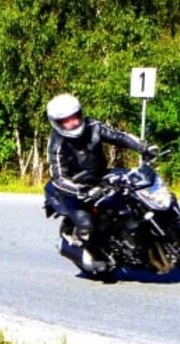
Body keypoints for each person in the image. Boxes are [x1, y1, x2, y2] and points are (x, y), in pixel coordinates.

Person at [43, 93, 157, 274]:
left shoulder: (93, 126)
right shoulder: (57, 144)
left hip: (100, 177)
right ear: (57, 123)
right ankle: (95, 256)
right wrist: (83, 191)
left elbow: (118, 136)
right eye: (66, 121)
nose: (73, 123)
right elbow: (59, 178)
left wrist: (143, 147)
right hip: (74, 190)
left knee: (134, 195)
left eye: (75, 117)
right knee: (86, 225)